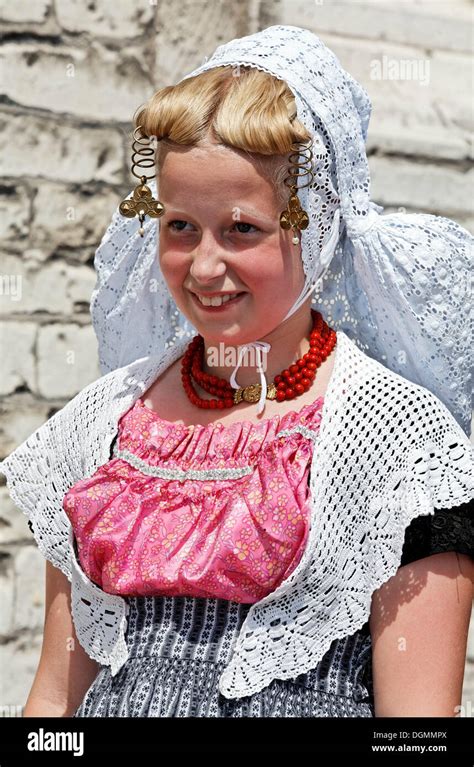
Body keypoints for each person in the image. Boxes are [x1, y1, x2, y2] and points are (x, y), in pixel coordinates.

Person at [0, 25, 472, 719]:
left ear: (315, 224)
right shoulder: (101, 426)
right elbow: (52, 700)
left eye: (242, 229)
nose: (203, 267)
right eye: (180, 226)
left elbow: (419, 728)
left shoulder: (401, 444)